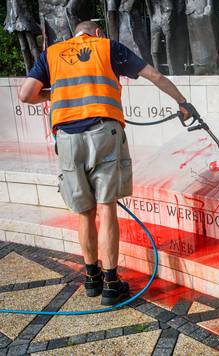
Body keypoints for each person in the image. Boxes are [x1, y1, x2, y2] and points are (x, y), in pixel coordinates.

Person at [18, 20, 194, 306]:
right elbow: (155, 76)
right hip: (103, 133)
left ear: (74, 34)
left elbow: (26, 94)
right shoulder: (106, 47)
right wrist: (183, 102)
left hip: (67, 138)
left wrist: (56, 93)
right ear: (97, 33)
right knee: (106, 206)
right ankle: (112, 284)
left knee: (84, 212)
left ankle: (91, 279)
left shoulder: (52, 53)